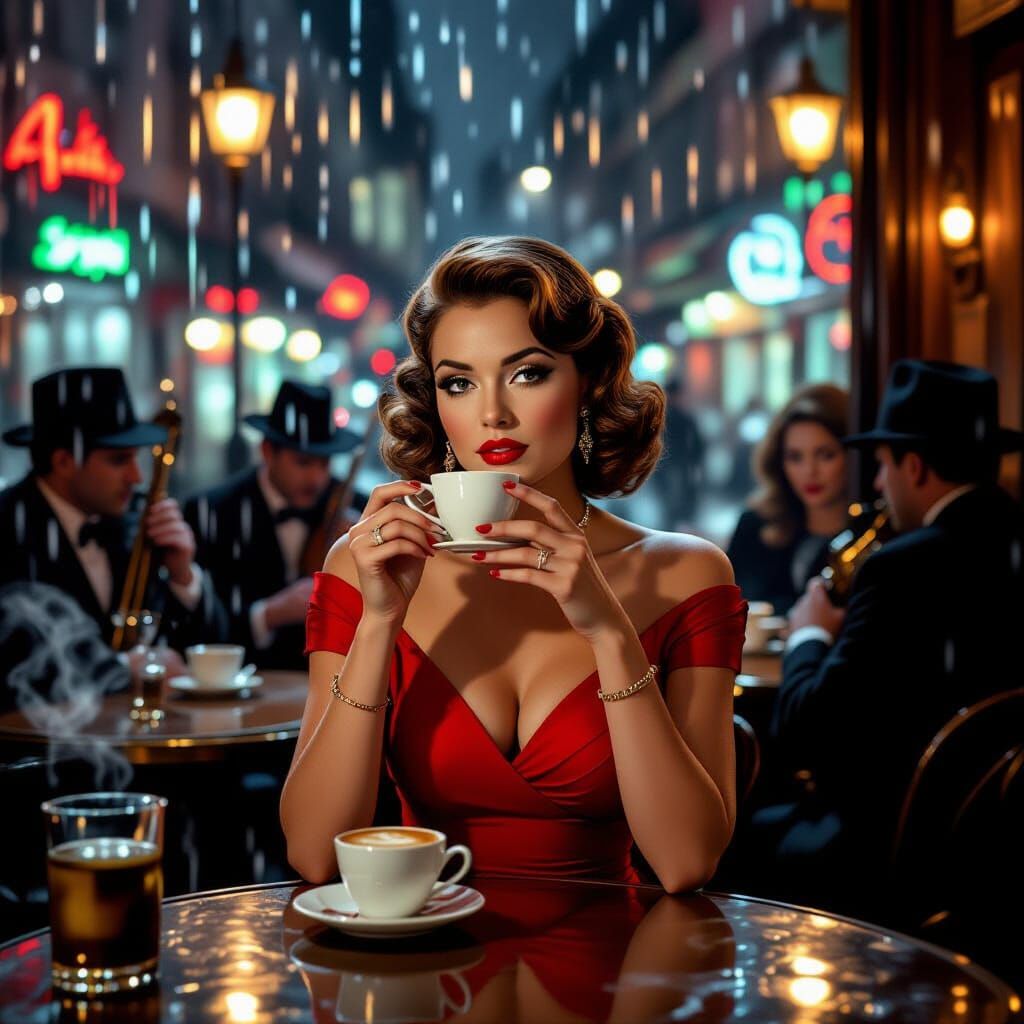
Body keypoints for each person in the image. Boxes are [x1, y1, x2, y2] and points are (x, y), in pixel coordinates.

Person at [280, 236, 748, 887]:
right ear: (437, 404)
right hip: (416, 965)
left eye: (527, 373)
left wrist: (608, 631)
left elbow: (686, 863)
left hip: (617, 971)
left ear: (586, 382)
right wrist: (379, 623)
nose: (493, 413)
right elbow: (313, 853)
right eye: (460, 383)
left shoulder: (685, 573)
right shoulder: (368, 564)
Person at [762, 360, 1024, 908]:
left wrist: (809, 635)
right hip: (997, 850)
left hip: (892, 851)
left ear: (915, 466)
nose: (879, 484)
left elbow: (808, 733)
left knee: (743, 833)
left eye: (882, 466)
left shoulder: (899, 569)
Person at [0, 367, 225, 654]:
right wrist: (121, 671)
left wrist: (183, 576)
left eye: (136, 459)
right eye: (119, 460)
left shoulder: (139, 519)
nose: (137, 477)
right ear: (64, 461)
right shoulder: (8, 527)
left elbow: (213, 648)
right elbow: (17, 658)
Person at [184, 380, 363, 670]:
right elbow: (197, 622)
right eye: (304, 463)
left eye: (325, 464)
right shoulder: (212, 511)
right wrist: (268, 614)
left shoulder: (355, 506)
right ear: (268, 451)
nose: (318, 479)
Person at [726, 385, 850, 615]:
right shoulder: (754, 525)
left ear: (852, 456)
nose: (809, 471)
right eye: (795, 457)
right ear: (779, 461)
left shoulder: (869, 538)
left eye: (826, 455)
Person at [657, 377, 706, 527]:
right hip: (677, 466)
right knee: (676, 504)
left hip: (669, 466)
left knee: (671, 504)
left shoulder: (661, 417)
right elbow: (698, 444)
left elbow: (698, 444)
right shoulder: (683, 417)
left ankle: (671, 531)